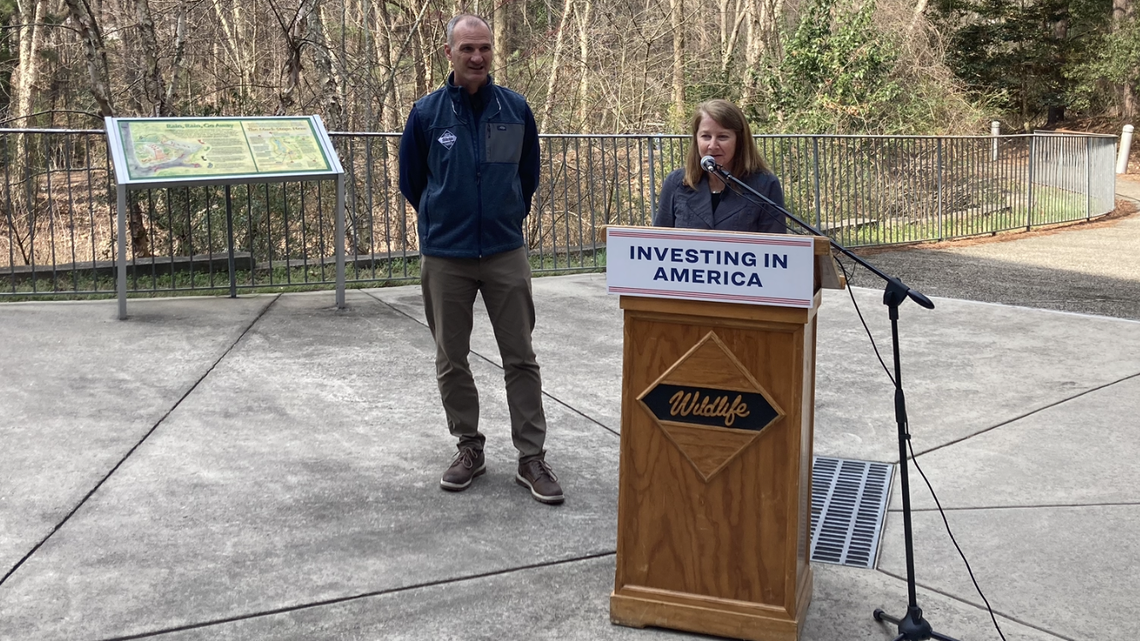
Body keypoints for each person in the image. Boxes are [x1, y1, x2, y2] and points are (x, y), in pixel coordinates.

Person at [398, 14, 563, 505]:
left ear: (494, 53)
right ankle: (469, 447)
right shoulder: (426, 114)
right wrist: (442, 218)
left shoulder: (514, 109)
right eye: (467, 48)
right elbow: (412, 181)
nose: (477, 57)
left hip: (504, 251)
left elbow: (526, 174)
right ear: (448, 53)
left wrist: (506, 215)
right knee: (452, 358)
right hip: (446, 256)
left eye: (485, 48)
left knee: (521, 357)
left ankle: (531, 457)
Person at [653, 99, 787, 233]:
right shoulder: (676, 182)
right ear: (696, 139)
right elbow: (658, 242)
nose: (712, 145)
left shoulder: (765, 185)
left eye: (722, 137)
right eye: (706, 136)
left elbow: (776, 248)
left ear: (739, 141)